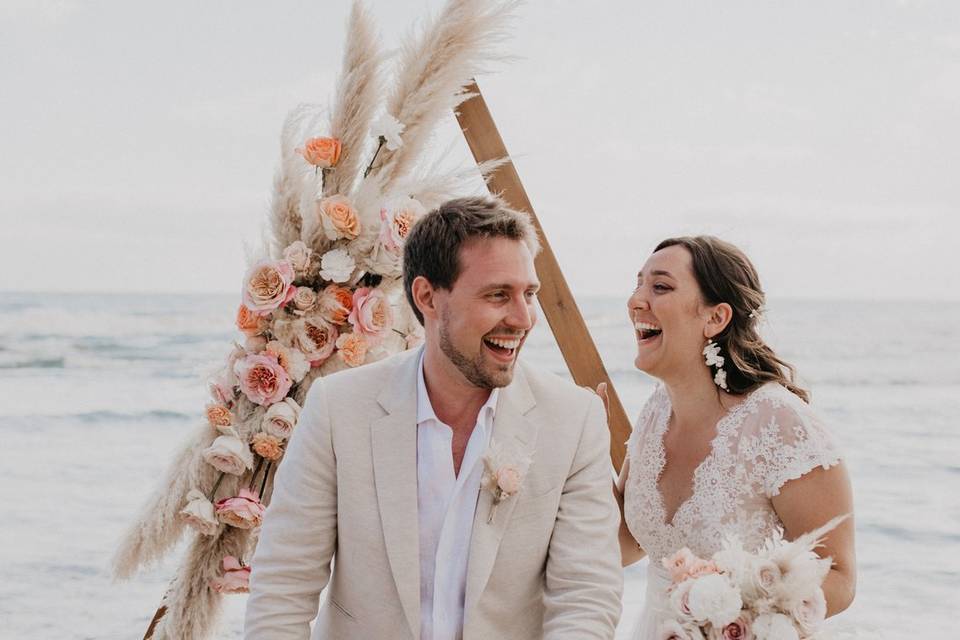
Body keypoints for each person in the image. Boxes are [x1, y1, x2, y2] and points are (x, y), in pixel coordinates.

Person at [245, 196, 623, 639]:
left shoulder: (574, 421)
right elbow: (284, 586)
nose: (523, 318)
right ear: (427, 296)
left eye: (529, 294)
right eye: (498, 294)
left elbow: (586, 595)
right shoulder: (338, 409)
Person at [610, 236, 856, 639]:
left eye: (660, 287)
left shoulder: (780, 424)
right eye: (638, 284)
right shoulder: (656, 410)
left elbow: (840, 577)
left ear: (715, 318)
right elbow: (626, 545)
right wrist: (580, 445)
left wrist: (734, 614)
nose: (636, 300)